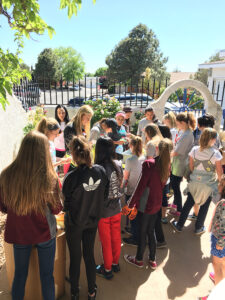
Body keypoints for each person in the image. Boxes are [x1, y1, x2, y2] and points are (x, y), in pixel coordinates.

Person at [0, 131, 63, 300]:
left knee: (19, 276)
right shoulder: (50, 177)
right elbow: (57, 209)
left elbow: (4, 207)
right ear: (43, 152)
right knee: (47, 276)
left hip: (19, 233)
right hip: (45, 234)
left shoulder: (6, 175)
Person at [62, 136, 109, 300]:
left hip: (75, 223)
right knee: (89, 255)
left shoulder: (70, 177)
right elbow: (104, 195)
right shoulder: (101, 171)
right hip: (92, 221)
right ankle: (91, 291)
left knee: (75, 258)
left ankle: (74, 292)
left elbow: (66, 205)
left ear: (73, 155)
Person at [123, 139, 172, 269]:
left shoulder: (149, 164)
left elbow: (140, 186)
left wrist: (130, 203)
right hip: (156, 202)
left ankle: (139, 259)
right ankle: (152, 259)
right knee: (151, 231)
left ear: (157, 149)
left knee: (143, 231)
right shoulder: (167, 165)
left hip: (146, 203)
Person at [171, 128, 223, 235]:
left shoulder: (194, 150)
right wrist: (220, 182)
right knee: (205, 206)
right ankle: (198, 228)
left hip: (194, 182)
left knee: (188, 203)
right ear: (213, 139)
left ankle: (180, 225)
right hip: (208, 184)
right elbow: (219, 171)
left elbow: (191, 167)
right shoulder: (216, 154)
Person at [95, 137, 123, 280]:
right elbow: (120, 184)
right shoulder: (118, 164)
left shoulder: (97, 168)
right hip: (117, 208)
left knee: (105, 241)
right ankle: (115, 263)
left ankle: (107, 269)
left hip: (104, 212)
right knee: (116, 237)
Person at [169, 112, 196, 216]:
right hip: (178, 163)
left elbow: (177, 152)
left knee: (175, 187)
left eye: (177, 123)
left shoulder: (186, 135)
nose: (177, 125)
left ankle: (179, 209)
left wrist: (166, 155)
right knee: (175, 186)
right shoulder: (185, 132)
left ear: (183, 123)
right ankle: (176, 205)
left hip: (179, 164)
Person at [122, 135, 145, 246]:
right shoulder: (145, 157)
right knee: (139, 215)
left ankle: (135, 237)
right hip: (143, 191)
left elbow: (125, 178)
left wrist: (121, 187)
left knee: (133, 215)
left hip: (132, 191)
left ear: (131, 146)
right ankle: (136, 232)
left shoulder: (130, 160)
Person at [63, 105, 93, 173]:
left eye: (90, 118)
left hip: (80, 162)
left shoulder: (82, 128)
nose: (89, 120)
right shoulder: (70, 128)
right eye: (88, 117)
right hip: (71, 163)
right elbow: (71, 147)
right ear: (81, 115)